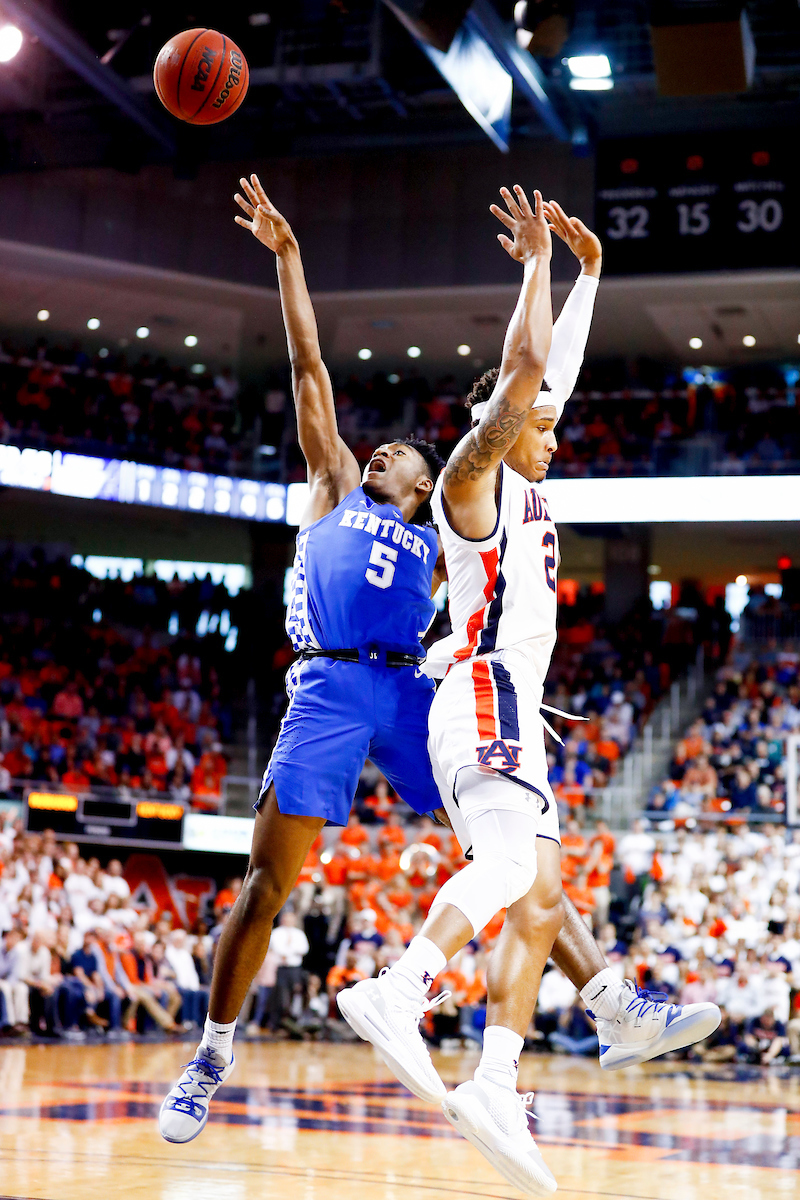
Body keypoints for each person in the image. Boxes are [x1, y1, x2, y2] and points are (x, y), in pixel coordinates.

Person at [336, 192, 719, 1195]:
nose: (556, 424)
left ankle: (518, 1066)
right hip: (483, 692)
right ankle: (399, 984)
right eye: (539, 419)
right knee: (513, 865)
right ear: (499, 423)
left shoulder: (530, 477)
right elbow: (522, 378)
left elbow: (549, 375)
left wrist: (589, 277)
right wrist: (536, 267)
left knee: (539, 894)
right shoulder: (475, 483)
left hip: (509, 705)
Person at [159, 172, 446, 1144]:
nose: (384, 453)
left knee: (508, 832)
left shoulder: (446, 538)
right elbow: (306, 365)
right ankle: (210, 1052)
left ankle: (489, 1031)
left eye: (403, 452)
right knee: (264, 882)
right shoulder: (332, 483)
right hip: (328, 682)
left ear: (426, 481)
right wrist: (287, 256)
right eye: (384, 449)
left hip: (406, 688)